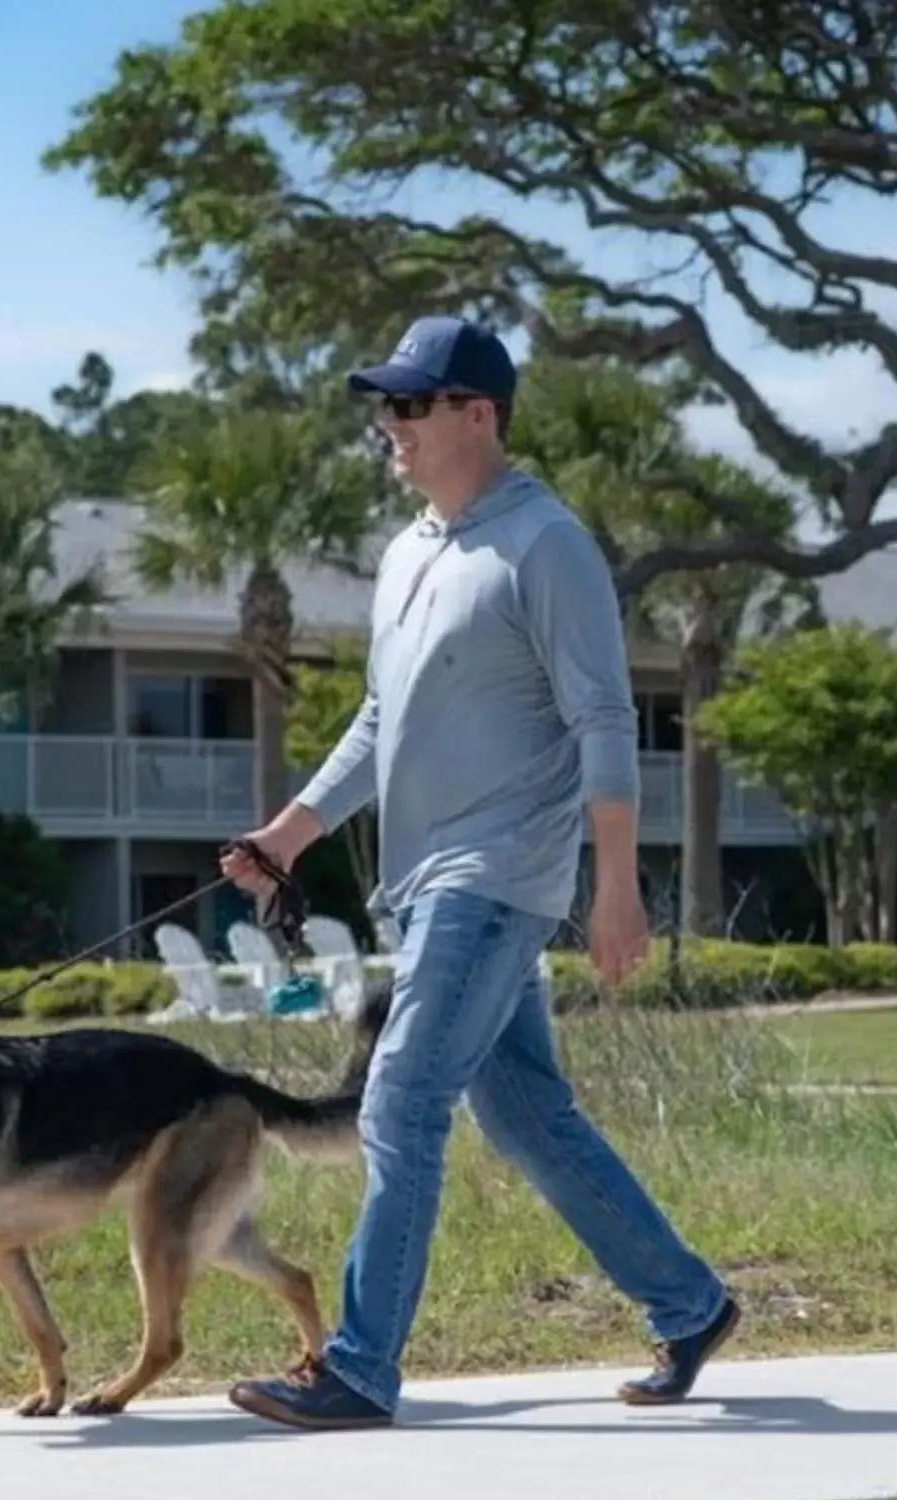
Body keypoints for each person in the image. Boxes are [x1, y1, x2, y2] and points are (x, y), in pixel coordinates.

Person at [217, 315, 740, 1431]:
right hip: (423, 878)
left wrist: (614, 884)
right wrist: (289, 833)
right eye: (386, 406)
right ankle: (689, 1302)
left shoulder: (545, 545)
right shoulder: (412, 551)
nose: (389, 425)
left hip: (499, 874)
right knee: (527, 1116)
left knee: (401, 1099)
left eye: (411, 405)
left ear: (478, 415)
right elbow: (379, 717)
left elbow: (606, 720)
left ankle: (358, 1365)